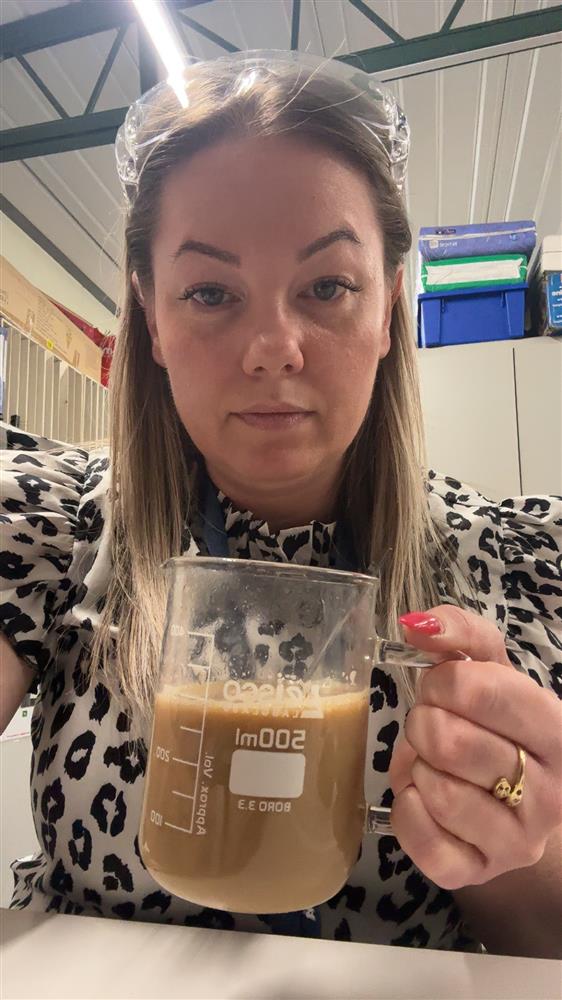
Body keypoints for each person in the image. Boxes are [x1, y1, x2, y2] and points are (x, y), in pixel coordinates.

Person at [1, 51, 560, 958]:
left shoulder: (499, 567)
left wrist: (504, 837)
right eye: (210, 292)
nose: (273, 347)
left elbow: (542, 946)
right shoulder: (53, 529)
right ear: (152, 315)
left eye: (327, 287)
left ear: (388, 305)